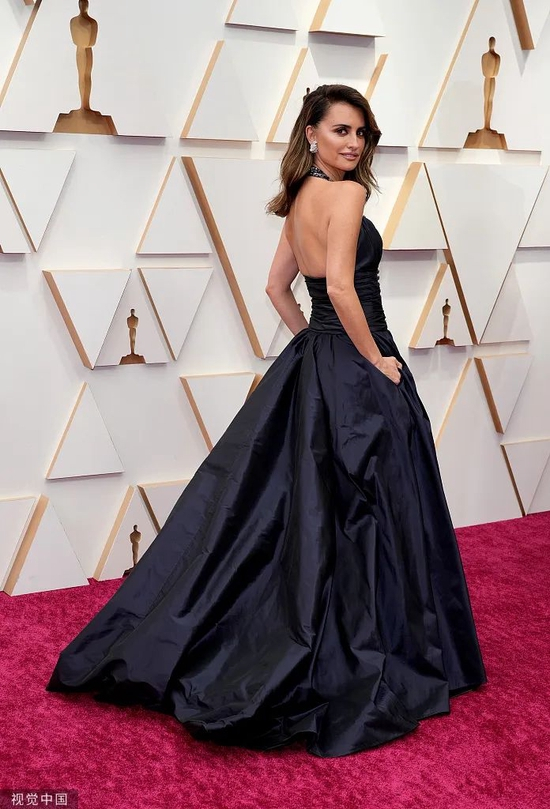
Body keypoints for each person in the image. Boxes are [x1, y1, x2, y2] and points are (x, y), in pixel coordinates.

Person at [46, 84, 487, 758]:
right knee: (372, 502)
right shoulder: (347, 195)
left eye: (361, 133)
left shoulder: (299, 198)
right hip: (360, 361)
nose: (353, 144)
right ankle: (379, 641)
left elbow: (278, 287)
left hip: (317, 361)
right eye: (340, 130)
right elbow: (342, 287)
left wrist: (313, 341)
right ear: (311, 132)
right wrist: (375, 361)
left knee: (309, 504)